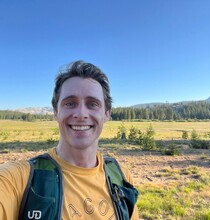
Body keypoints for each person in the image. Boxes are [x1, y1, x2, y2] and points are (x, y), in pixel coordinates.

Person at [0, 60, 139, 219]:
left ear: (107, 113)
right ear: (56, 112)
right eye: (70, 103)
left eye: (92, 104)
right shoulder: (19, 180)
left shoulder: (121, 177)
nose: (81, 114)